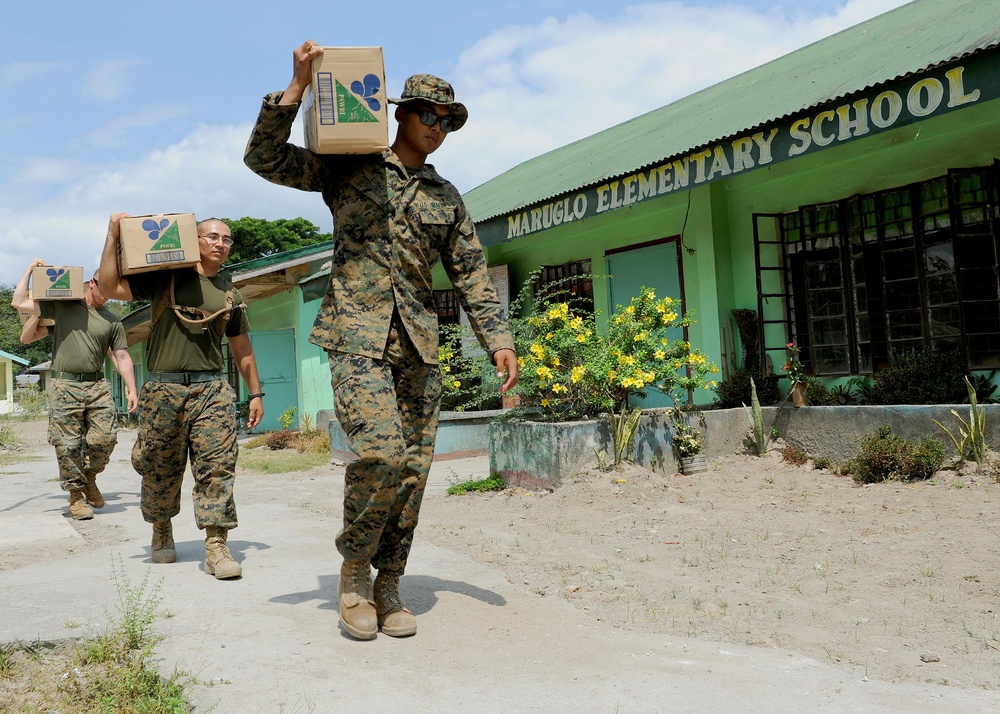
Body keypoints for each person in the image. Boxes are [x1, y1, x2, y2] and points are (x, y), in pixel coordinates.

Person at [244, 41, 519, 640]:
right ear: (400, 114)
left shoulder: (447, 198)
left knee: (414, 471)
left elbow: (471, 272)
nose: (438, 128)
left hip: (419, 344)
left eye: (448, 122)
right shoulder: (351, 168)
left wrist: (498, 339)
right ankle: (352, 573)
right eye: (429, 116)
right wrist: (294, 88)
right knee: (380, 455)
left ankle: (389, 582)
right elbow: (264, 159)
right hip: (355, 335)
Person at [99, 213, 264, 580]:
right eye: (211, 237)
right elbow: (108, 286)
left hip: (211, 390)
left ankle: (217, 546)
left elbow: (242, 348)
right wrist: (112, 235)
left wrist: (255, 392)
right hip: (163, 390)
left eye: (226, 238)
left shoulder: (229, 294)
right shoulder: (165, 278)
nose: (220, 243)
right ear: (194, 240)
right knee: (160, 468)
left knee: (218, 468)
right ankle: (161, 527)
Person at [11, 261, 138, 521]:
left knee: (105, 440)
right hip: (64, 385)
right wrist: (29, 271)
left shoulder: (112, 321)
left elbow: (122, 355)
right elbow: (19, 301)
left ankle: (90, 477)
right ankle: (76, 496)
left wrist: (132, 387)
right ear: (91, 284)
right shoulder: (64, 306)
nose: (110, 294)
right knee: (67, 446)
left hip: (98, 386)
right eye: (105, 288)